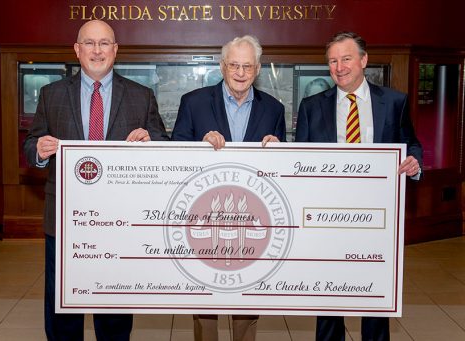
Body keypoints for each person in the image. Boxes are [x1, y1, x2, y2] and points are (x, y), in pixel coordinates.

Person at [23, 19, 169, 340]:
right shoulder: (52, 94)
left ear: (115, 51)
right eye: (89, 43)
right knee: (63, 309)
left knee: (114, 309)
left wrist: (152, 143)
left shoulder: (141, 96)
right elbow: (31, 144)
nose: (97, 50)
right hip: (64, 222)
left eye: (104, 43)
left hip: (120, 222)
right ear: (77, 50)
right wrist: (40, 149)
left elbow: (163, 147)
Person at [295, 31, 422, 341]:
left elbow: (412, 145)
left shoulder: (394, 102)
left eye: (346, 59)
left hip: (376, 219)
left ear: (363, 60)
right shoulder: (312, 106)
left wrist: (415, 164)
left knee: (375, 301)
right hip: (326, 220)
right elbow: (299, 160)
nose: (339, 67)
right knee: (327, 300)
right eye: (333, 61)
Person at [172, 35, 286, 341]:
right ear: (223, 67)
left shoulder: (274, 109)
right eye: (233, 65)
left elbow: (283, 172)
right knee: (206, 303)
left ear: (258, 69)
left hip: (252, 221)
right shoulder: (193, 102)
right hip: (203, 220)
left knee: (247, 301)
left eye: (247, 66)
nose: (240, 72)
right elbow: (174, 153)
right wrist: (200, 146)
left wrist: (280, 150)